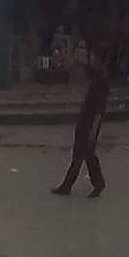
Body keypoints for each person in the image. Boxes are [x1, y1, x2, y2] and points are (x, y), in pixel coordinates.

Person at [52, 46, 110, 197]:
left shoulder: (102, 79)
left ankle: (69, 185)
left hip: (89, 123)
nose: (92, 60)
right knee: (86, 155)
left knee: (81, 155)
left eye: (94, 57)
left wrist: (93, 131)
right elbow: (83, 66)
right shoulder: (98, 74)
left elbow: (99, 110)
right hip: (85, 120)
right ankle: (96, 183)